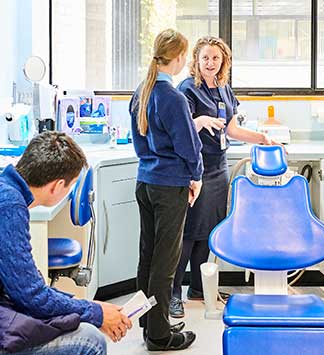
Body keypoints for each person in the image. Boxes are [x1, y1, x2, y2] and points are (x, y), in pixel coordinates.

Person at [0, 131, 132, 354]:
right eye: (70, 186)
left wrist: (90, 308)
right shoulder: (8, 208)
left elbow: (27, 289)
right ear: (56, 186)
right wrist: (96, 313)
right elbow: (32, 297)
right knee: (90, 340)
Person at [170, 36, 281, 318]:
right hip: (196, 168)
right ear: (196, 59)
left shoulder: (224, 88)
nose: (210, 63)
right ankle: (173, 293)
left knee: (207, 230)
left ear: (224, 62)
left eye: (215, 58)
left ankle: (198, 287)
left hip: (218, 167)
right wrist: (200, 122)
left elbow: (231, 129)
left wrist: (262, 138)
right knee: (187, 233)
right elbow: (180, 131)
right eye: (205, 57)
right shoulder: (187, 90)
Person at [129, 29, 203, 351]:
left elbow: (139, 143)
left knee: (147, 256)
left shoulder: (142, 91)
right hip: (169, 186)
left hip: (145, 182)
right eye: (185, 55)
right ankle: (159, 336)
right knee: (165, 263)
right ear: (177, 57)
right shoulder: (172, 97)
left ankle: (150, 319)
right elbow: (189, 146)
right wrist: (196, 176)